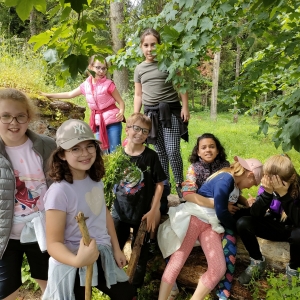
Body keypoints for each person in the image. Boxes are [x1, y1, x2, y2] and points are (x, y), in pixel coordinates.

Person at [42, 119, 136, 300]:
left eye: (89, 146)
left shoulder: (95, 179)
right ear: (62, 154)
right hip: (73, 261)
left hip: (102, 253)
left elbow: (104, 214)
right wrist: (78, 261)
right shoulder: (59, 192)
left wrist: (117, 249)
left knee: (127, 295)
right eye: (75, 148)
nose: (85, 153)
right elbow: (53, 244)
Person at [158, 156, 263, 300]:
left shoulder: (235, 185)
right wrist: (237, 228)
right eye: (254, 182)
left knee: (218, 269)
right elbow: (221, 210)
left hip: (211, 225)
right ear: (249, 174)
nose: (252, 186)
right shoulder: (226, 179)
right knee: (177, 261)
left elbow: (231, 202)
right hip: (196, 218)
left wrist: (247, 203)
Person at [0, 88, 56, 300]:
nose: (13, 122)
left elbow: (61, 183)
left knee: (52, 287)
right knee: (5, 292)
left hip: (42, 230)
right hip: (6, 236)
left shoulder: (46, 146)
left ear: (29, 117)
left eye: (20, 116)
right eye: (5, 116)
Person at [111, 113, 167, 296]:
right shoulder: (117, 154)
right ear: (127, 129)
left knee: (140, 252)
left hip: (142, 214)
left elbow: (160, 184)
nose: (140, 133)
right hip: (119, 212)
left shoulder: (151, 156)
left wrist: (153, 210)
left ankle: (133, 290)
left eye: (145, 131)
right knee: (114, 249)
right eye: (136, 128)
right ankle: (115, 285)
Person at [134, 28, 190, 201]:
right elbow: (138, 94)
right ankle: (164, 188)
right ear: (141, 47)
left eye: (153, 45)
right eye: (146, 45)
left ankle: (182, 187)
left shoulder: (169, 63)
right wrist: (136, 116)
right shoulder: (139, 69)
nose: (150, 49)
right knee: (159, 153)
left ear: (160, 45)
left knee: (172, 150)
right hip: (151, 115)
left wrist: (185, 107)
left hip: (170, 112)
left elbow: (181, 85)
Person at [237, 154, 300, 285]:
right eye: (269, 180)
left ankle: (293, 269)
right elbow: (255, 215)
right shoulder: (267, 186)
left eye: (277, 182)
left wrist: (283, 195)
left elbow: (298, 220)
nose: (273, 185)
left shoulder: (298, 188)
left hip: (293, 230)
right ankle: (257, 261)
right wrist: (266, 193)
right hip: (274, 225)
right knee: (243, 223)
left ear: (290, 178)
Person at [41, 55, 125, 153]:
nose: (101, 71)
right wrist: (48, 95)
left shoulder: (109, 84)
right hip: (98, 123)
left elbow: (121, 102)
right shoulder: (86, 85)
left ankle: (119, 168)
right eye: (98, 67)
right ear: (90, 67)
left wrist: (122, 111)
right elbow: (69, 94)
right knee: (102, 152)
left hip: (113, 121)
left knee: (115, 151)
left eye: (104, 68)